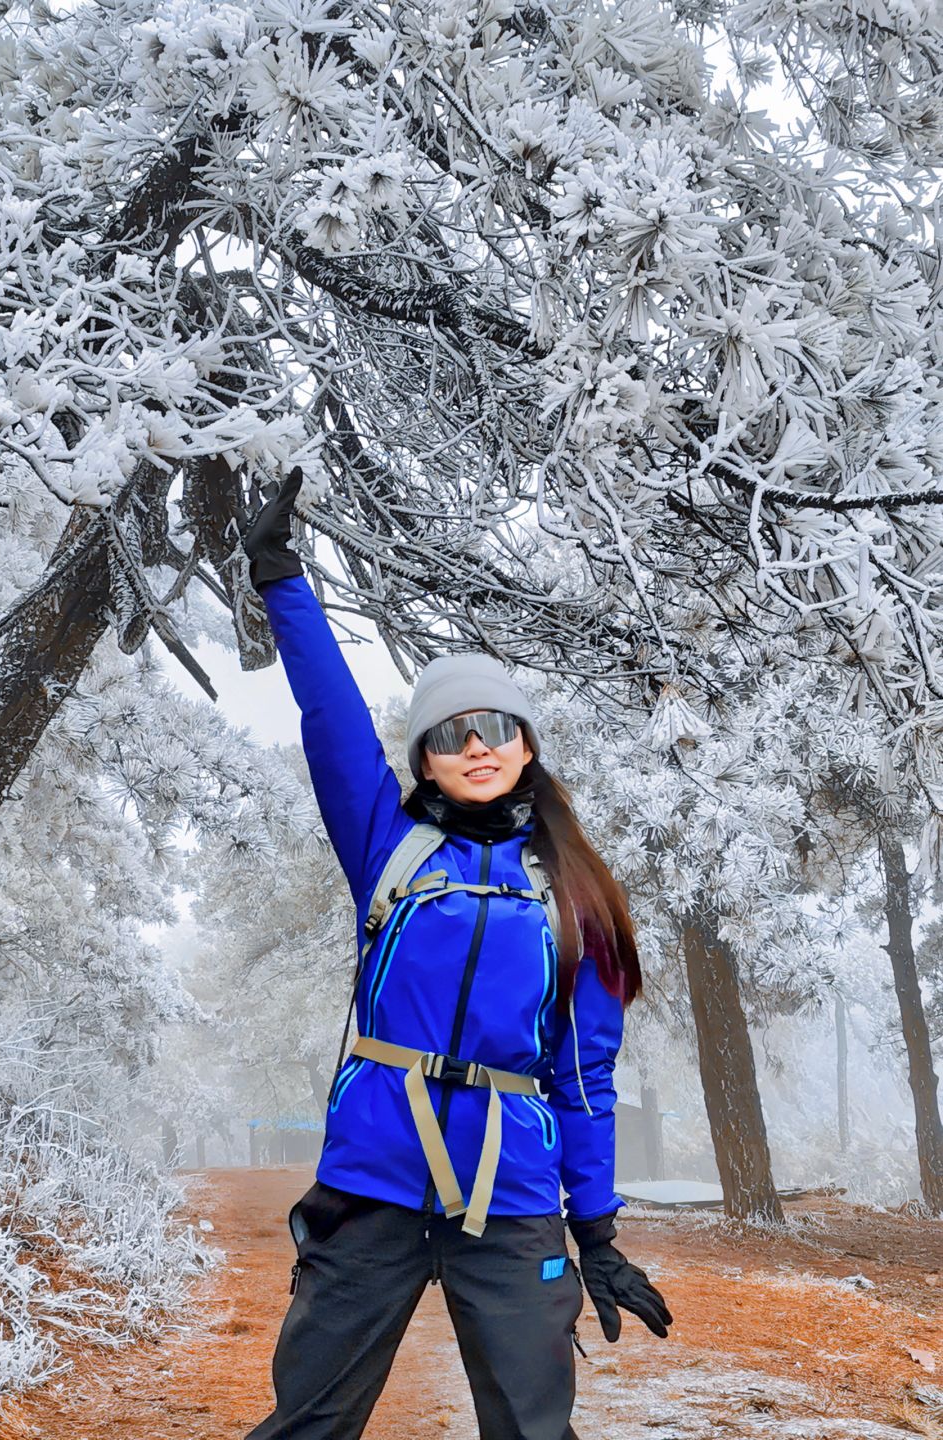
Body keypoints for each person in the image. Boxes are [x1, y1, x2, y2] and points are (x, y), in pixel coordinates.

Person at [239, 467, 672, 1440]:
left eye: (497, 727)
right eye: (452, 731)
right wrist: (282, 581)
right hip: (374, 1180)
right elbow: (334, 723)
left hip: (514, 1196)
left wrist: (595, 1230)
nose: (477, 743)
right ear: (425, 756)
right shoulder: (390, 850)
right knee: (306, 1425)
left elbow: (585, 1077)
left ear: (525, 745)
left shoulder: (575, 897)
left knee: (531, 1430)